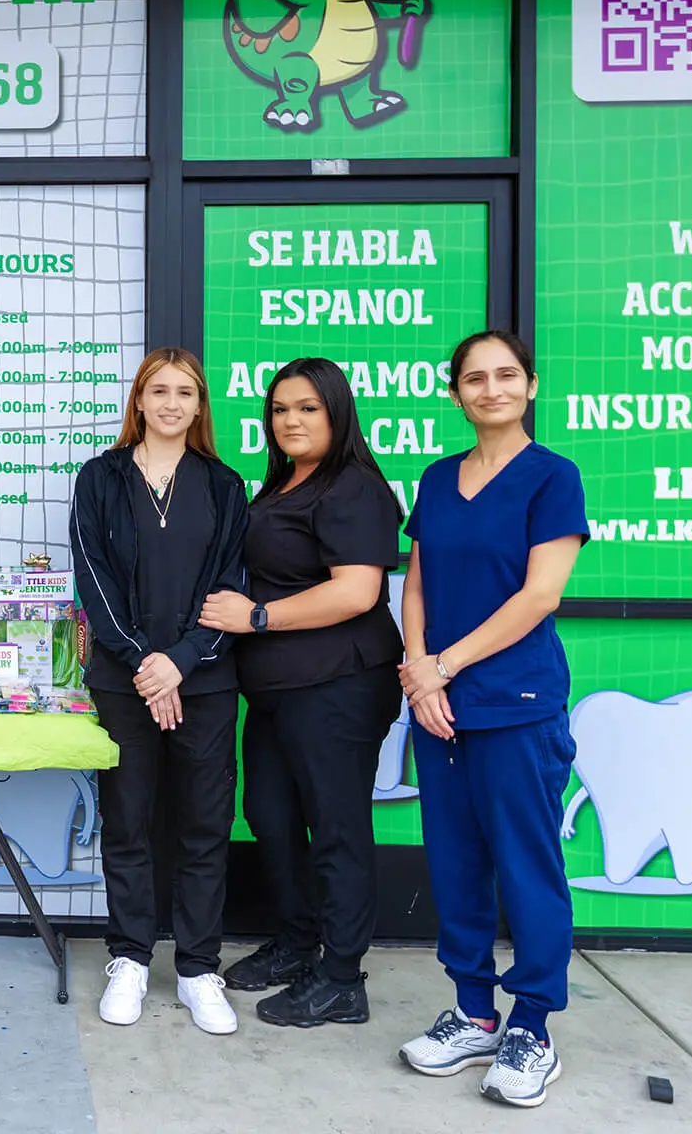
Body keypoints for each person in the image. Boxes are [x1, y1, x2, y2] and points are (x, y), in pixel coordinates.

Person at [393, 331, 588, 1110]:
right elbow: (415, 582)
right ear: (456, 393)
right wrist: (417, 670)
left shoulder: (552, 478)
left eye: (506, 375)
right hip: (437, 706)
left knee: (527, 867)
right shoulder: (439, 479)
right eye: (475, 378)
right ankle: (474, 1012)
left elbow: (540, 595)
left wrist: (444, 664)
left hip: (515, 705)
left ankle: (532, 1026)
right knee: (455, 864)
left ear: (530, 386)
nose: (491, 389)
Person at [197, 358, 404, 1027]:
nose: (292, 420)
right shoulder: (285, 484)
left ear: (337, 411)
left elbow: (357, 591)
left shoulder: (353, 488)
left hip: (338, 685)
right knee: (273, 818)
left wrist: (257, 617)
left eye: (308, 407)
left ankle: (342, 978)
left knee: (336, 829)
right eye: (281, 409)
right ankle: (296, 942)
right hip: (277, 690)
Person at [70, 347, 249, 1036]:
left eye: (186, 393)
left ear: (200, 406)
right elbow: (94, 579)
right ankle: (131, 957)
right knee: (130, 819)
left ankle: (200, 967)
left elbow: (231, 587)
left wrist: (180, 663)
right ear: (138, 402)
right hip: (124, 682)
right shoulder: (100, 478)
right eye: (159, 391)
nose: (172, 403)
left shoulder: (225, 486)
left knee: (204, 825)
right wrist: (147, 665)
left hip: (204, 682)